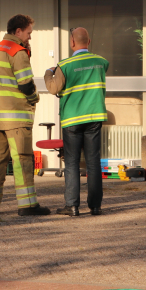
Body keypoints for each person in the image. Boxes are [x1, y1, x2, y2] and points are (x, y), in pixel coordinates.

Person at [0, 14, 50, 216]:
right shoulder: (17, 52)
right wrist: (35, 98)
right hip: (16, 119)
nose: (30, 37)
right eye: (28, 33)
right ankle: (27, 205)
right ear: (18, 31)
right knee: (22, 160)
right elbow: (26, 84)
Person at [44, 27, 108, 216]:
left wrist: (49, 73)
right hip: (94, 117)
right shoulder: (101, 62)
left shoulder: (64, 65)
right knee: (93, 162)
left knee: (71, 162)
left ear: (72, 42)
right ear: (89, 42)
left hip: (72, 119)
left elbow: (53, 89)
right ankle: (95, 206)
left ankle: (72, 206)